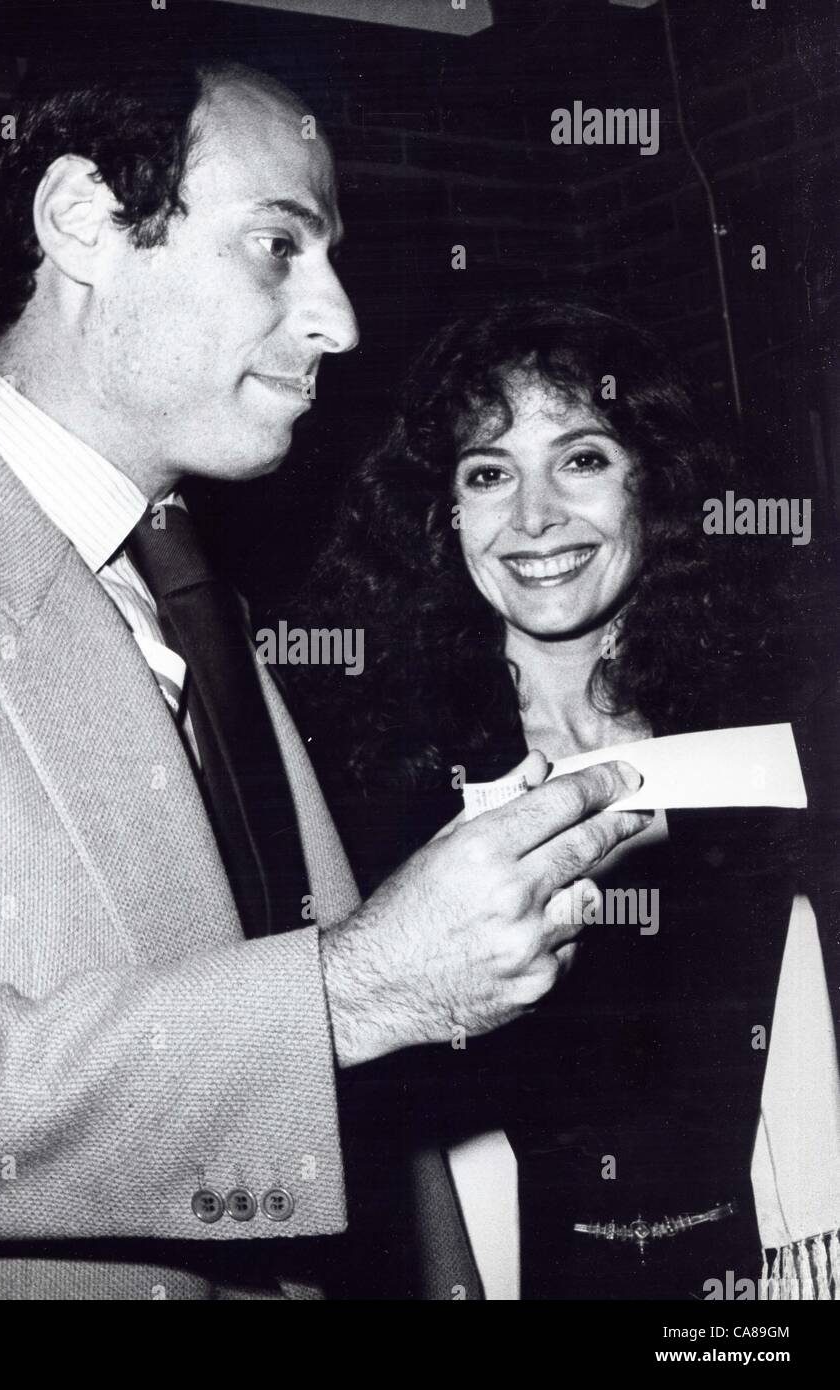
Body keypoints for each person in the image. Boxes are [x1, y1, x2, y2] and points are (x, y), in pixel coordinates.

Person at [0, 64, 652, 1302]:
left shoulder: (192, 584)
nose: (340, 321)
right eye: (279, 244)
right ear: (83, 219)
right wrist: (352, 991)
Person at [292, 300, 840, 1300]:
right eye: (489, 473)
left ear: (655, 487)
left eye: (581, 459)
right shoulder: (382, 794)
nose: (534, 518)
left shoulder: (776, 755)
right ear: (442, 512)